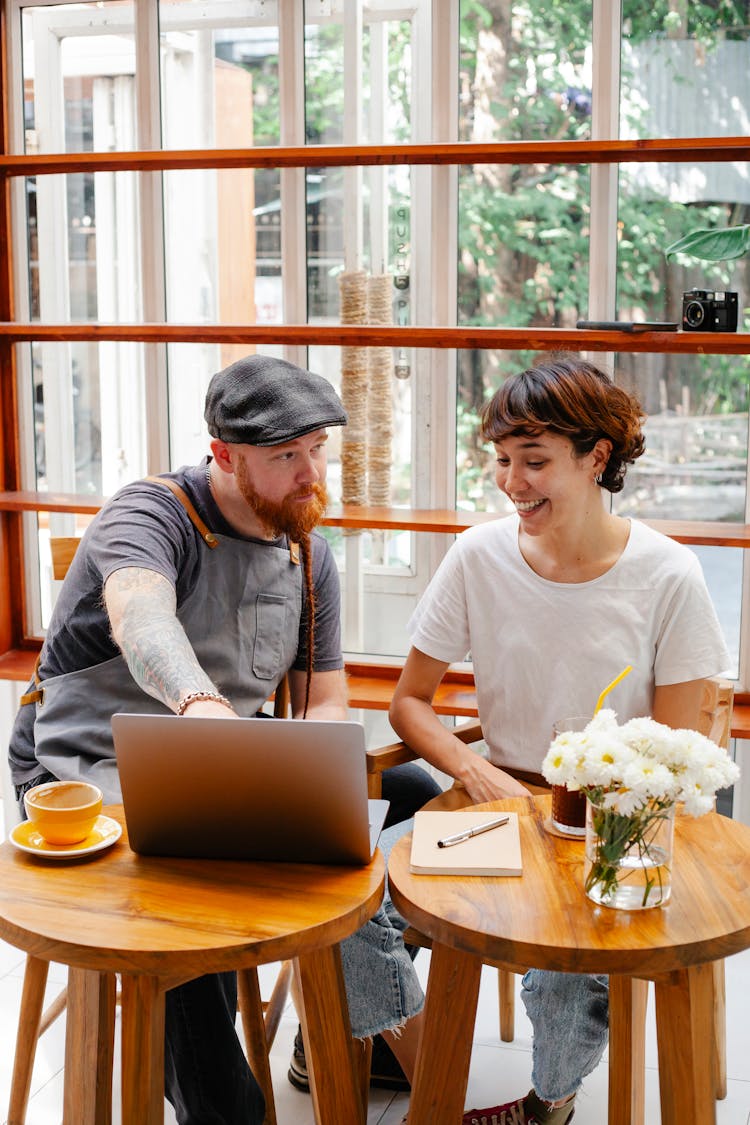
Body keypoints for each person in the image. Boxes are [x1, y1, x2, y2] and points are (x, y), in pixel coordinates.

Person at [8, 353, 439, 1125]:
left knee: (413, 804)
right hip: (89, 760)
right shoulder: (151, 512)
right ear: (225, 457)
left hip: (232, 757)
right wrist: (202, 708)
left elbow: (326, 696)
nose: (311, 475)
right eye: (286, 457)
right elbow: (143, 618)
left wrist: (314, 773)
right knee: (179, 913)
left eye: (317, 451)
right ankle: (227, 1110)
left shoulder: (307, 550)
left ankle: (339, 1022)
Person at [388, 354, 730, 1125]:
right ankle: (415, 1059)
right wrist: (476, 772)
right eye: (504, 461)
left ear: (596, 457)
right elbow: (410, 703)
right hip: (494, 805)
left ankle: (549, 1101)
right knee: (346, 907)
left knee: (569, 954)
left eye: (534, 461)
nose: (512, 482)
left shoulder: (668, 574)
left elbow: (675, 747)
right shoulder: (478, 556)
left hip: (609, 818)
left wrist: (586, 819)